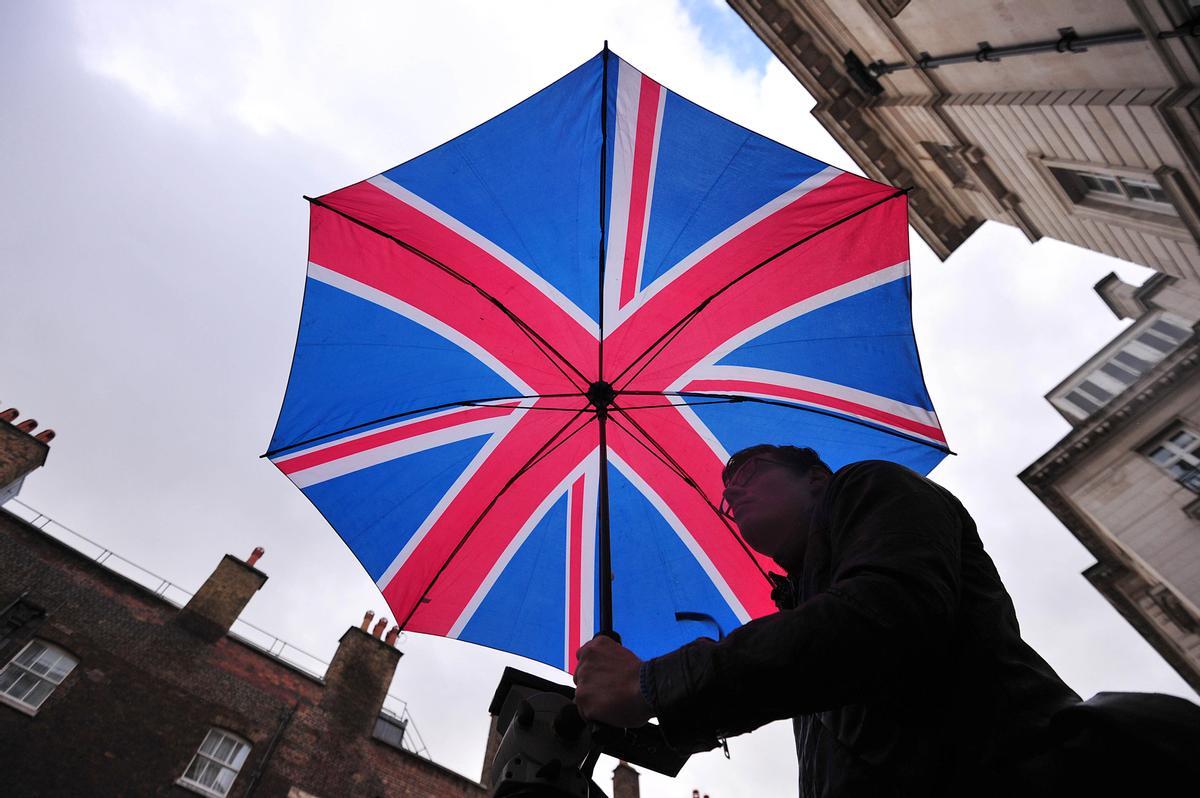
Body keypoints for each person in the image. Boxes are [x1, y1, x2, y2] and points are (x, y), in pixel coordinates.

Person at [572, 445, 1085, 796]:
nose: (733, 495)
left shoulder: (868, 484)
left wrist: (652, 684)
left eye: (748, 476)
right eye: (727, 496)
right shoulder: (802, 608)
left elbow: (885, 615)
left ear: (816, 478)